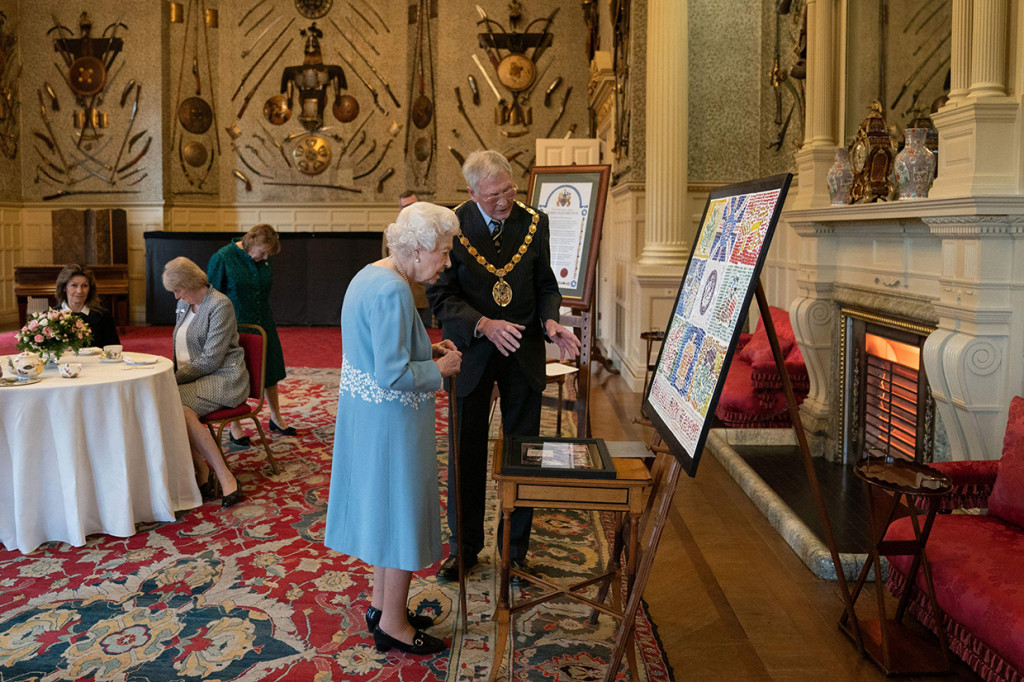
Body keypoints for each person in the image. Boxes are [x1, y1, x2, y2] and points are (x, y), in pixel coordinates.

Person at [427, 150, 581, 583]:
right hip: (471, 355)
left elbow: (546, 285)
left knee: (524, 454)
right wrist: (483, 324)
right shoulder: (452, 227)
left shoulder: (535, 222)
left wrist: (551, 320)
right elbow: (442, 298)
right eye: (494, 194)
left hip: (525, 353)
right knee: (466, 452)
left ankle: (515, 550)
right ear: (473, 192)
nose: (504, 201)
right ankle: (465, 549)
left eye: (509, 189)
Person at [324, 202, 462, 655]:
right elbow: (391, 373)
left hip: (370, 421)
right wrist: (441, 370)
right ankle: (394, 627)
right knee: (400, 518)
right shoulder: (393, 291)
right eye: (442, 252)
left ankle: (384, 607)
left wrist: (427, 349)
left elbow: (379, 350)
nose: (445, 262)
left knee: (385, 518)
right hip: (393, 425)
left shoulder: (370, 275)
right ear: (418, 248)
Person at [163, 257, 248, 509]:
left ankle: (222, 475)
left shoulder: (219, 305)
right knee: (168, 404)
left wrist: (171, 378)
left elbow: (211, 360)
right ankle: (203, 470)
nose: (176, 295)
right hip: (195, 377)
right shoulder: (183, 304)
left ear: (190, 283)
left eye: (178, 289)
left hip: (224, 377)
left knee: (173, 404)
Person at [207, 224, 295, 446]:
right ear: (252, 242)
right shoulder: (223, 258)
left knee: (270, 370)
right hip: (234, 327)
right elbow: (211, 296)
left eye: (268, 254)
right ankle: (235, 426)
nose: (265, 257)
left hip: (264, 323)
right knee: (235, 375)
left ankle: (276, 418)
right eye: (263, 252)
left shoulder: (263, 257)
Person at [382, 190, 432, 328]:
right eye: (404, 207)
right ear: (400, 209)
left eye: (412, 205)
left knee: (418, 336)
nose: (408, 210)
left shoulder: (429, 229)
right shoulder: (390, 230)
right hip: (395, 292)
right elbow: (385, 260)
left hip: (418, 293)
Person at [55, 264, 121, 348]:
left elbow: (114, 350)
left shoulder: (103, 316)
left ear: (90, 289)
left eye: (84, 286)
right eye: (74, 285)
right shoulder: (51, 317)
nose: (79, 291)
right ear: (64, 287)